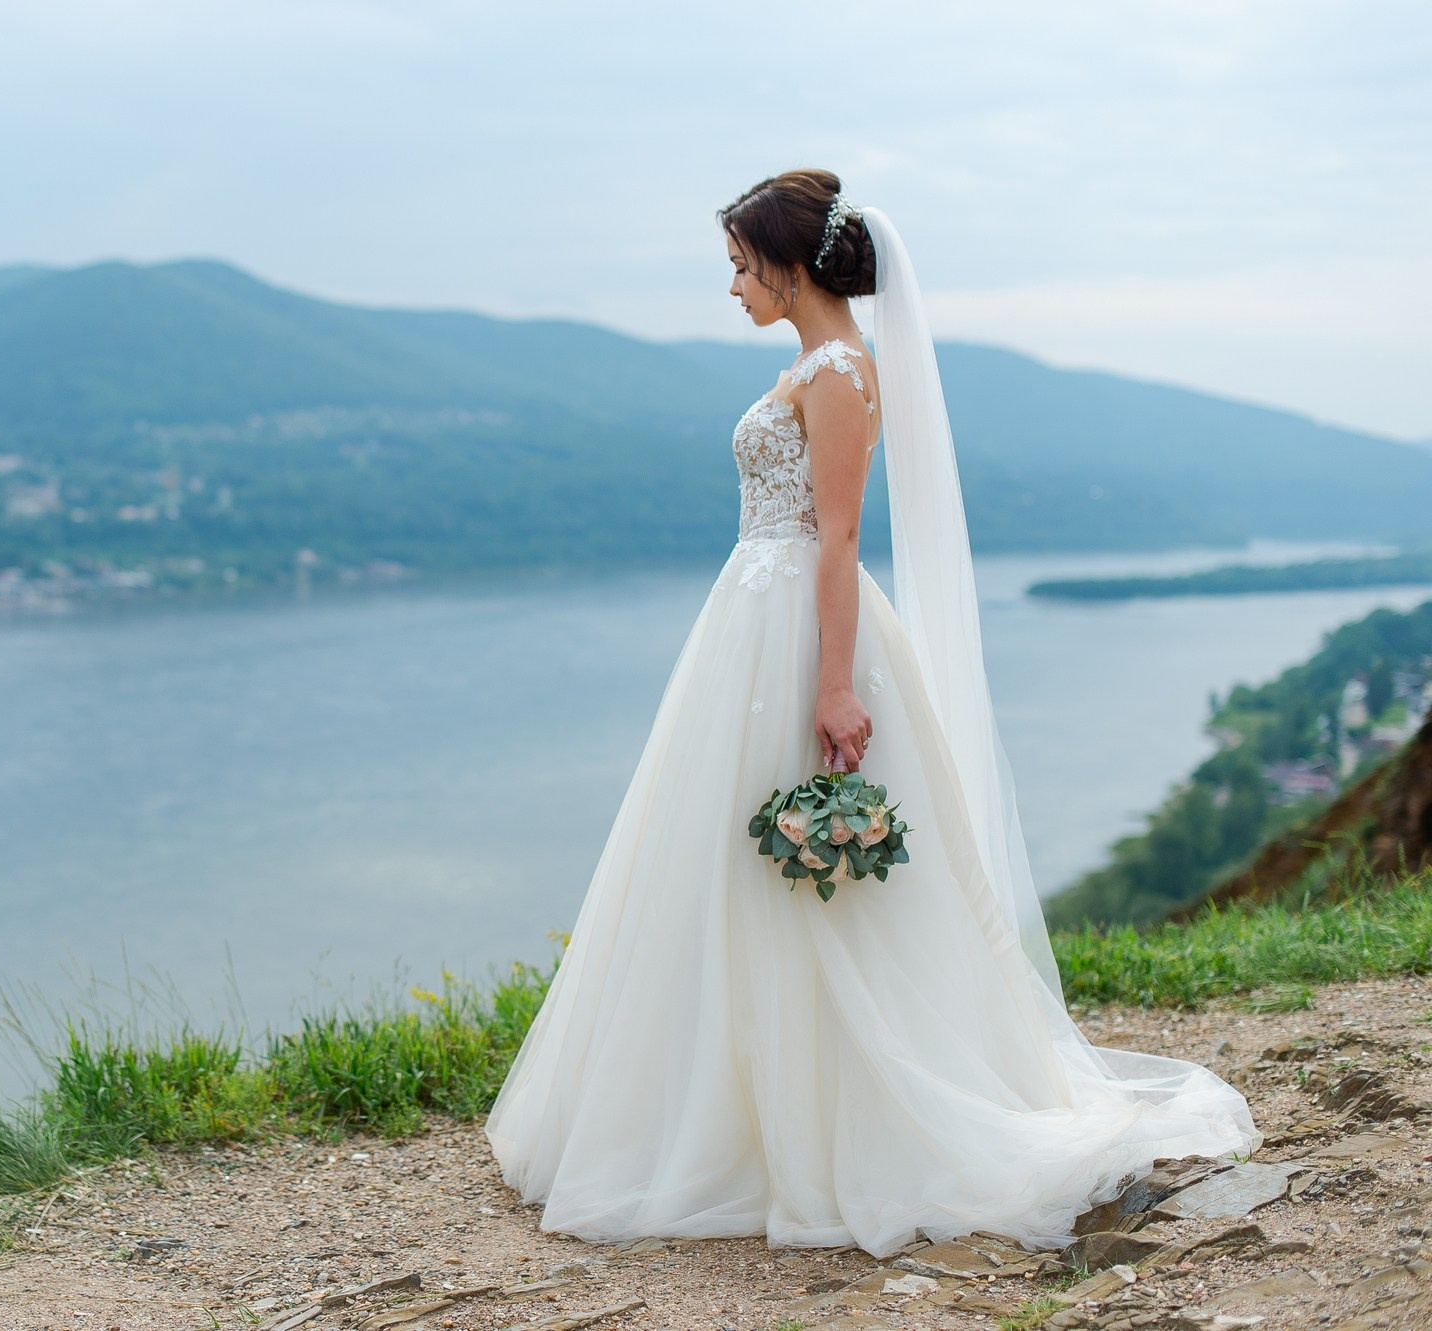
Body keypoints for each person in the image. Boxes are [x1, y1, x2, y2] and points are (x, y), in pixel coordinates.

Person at [480, 168, 1260, 1258]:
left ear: (790, 265)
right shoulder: (809, 365)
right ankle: (714, 1114)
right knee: (719, 868)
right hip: (750, 627)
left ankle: (828, 1124)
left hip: (801, 628)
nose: (734, 287)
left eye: (742, 267)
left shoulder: (840, 371)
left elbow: (836, 537)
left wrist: (833, 681)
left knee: (806, 883)